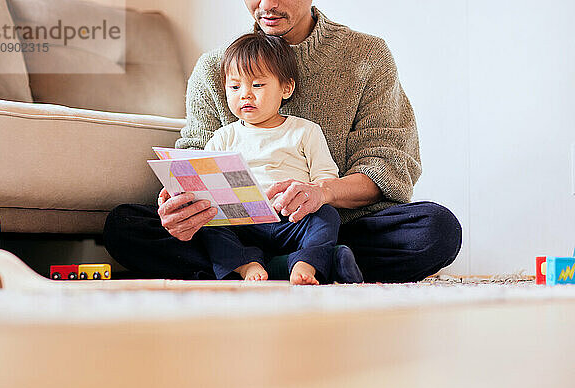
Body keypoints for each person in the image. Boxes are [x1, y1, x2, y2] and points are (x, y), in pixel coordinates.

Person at [103, 0, 463, 283]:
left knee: (436, 230)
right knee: (125, 226)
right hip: (234, 229)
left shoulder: (367, 57)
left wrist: (323, 193)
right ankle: (305, 268)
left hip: (329, 225)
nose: (267, 5)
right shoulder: (215, 68)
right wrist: (180, 210)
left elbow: (388, 163)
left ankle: (279, 265)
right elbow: (194, 160)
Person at [199, 32, 362, 285]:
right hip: (244, 224)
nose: (245, 94)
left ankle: (304, 263)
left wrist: (313, 195)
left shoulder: (304, 131)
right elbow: (205, 185)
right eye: (235, 86)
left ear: (286, 88)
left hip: (294, 220)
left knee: (327, 215)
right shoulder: (223, 138)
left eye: (257, 85)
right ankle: (246, 264)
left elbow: (324, 180)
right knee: (208, 224)